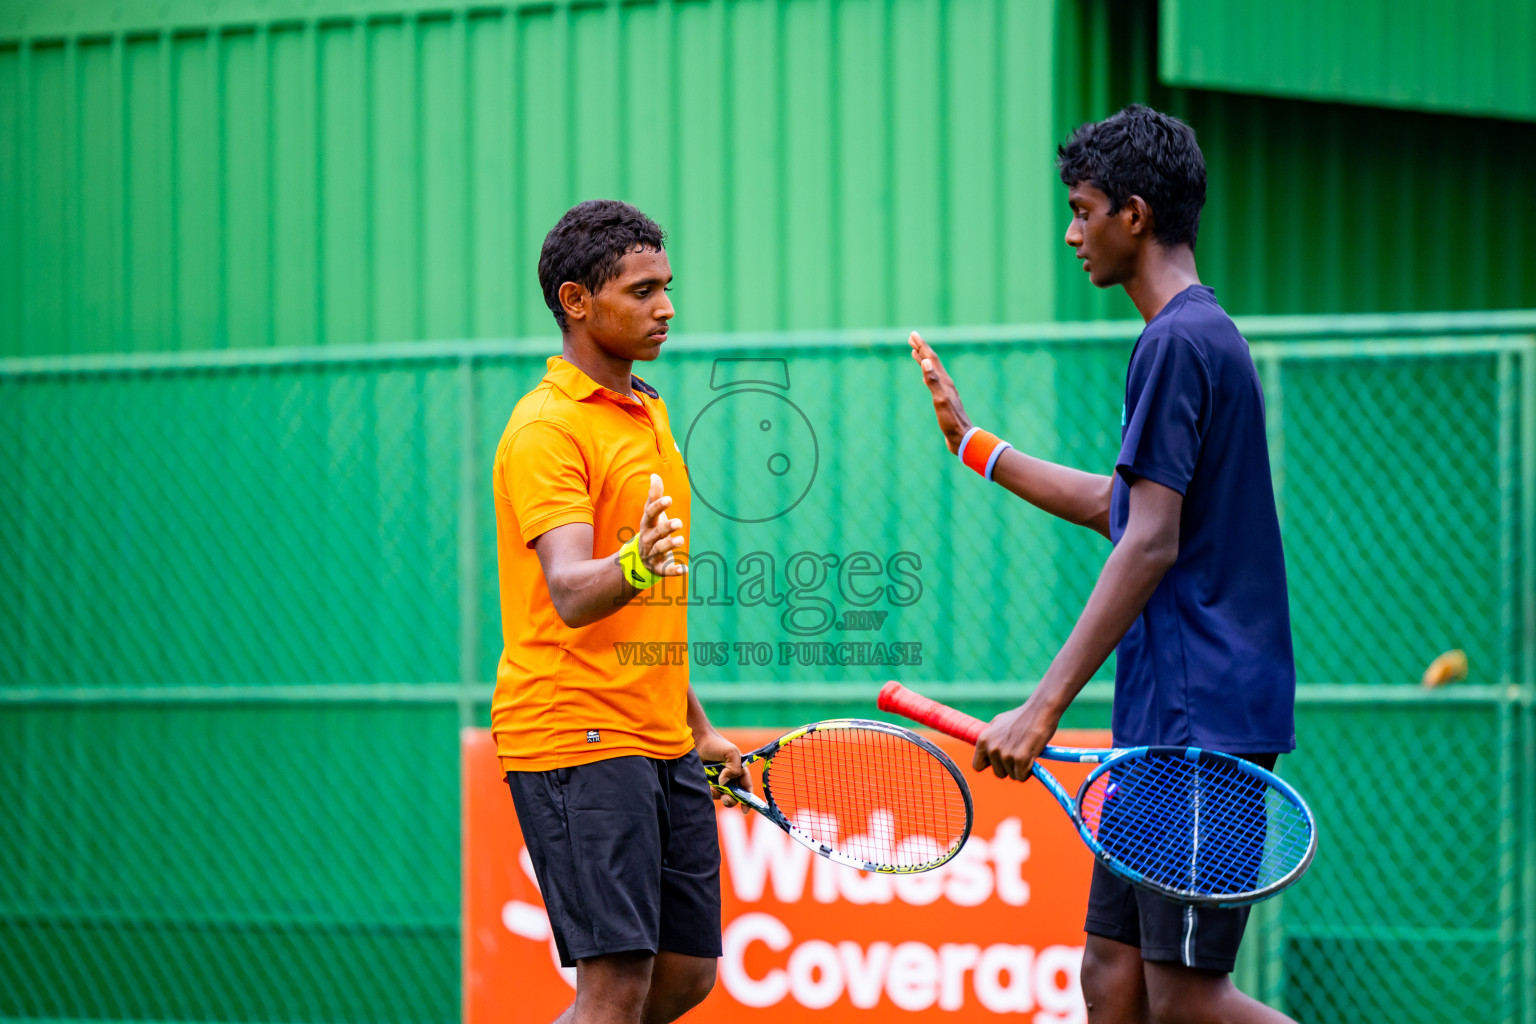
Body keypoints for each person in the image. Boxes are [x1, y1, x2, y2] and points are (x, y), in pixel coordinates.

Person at [909, 105, 1298, 1024]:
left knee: (1188, 999)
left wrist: (1041, 709)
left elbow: (1149, 541)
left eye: (1082, 210)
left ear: (1134, 214)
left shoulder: (1177, 342)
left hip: (1202, 729)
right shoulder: (1189, 338)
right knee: (1112, 979)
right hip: (1162, 722)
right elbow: (1123, 509)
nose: (1071, 231)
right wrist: (975, 447)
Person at [491, 199, 749, 1024]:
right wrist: (636, 559)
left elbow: (649, 618)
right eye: (642, 292)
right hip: (574, 734)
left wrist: (698, 727)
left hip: (657, 736)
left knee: (684, 975)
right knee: (613, 990)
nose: (666, 307)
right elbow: (572, 590)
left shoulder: (649, 411)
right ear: (576, 301)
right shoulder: (545, 430)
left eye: (666, 287)